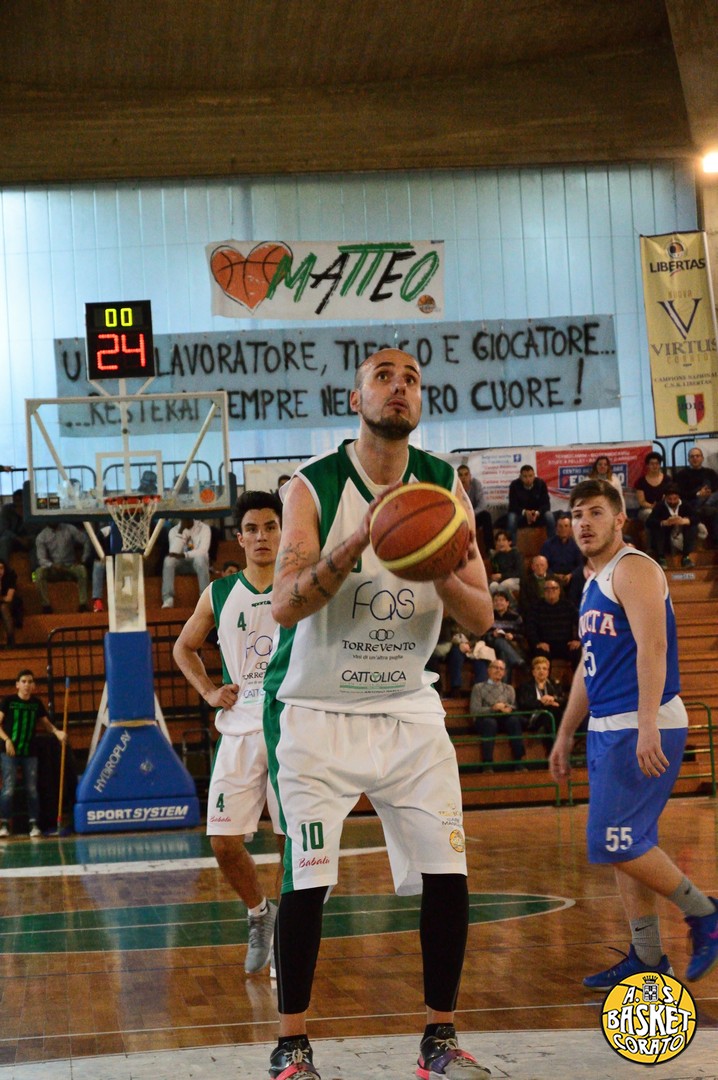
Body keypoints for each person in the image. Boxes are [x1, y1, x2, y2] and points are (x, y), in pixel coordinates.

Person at [263, 348, 493, 1080]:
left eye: (412, 379)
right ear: (354, 396)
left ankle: (439, 1040)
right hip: (317, 711)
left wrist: (435, 566)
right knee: (308, 879)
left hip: (407, 708)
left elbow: (482, 616)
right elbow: (284, 602)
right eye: (384, 376)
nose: (400, 387)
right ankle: (292, 1047)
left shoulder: (443, 485)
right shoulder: (314, 485)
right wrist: (363, 538)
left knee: (448, 872)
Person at [549, 478, 718, 989]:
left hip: (641, 721)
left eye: (596, 512)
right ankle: (647, 956)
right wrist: (565, 733)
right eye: (577, 514)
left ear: (620, 519)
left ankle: (706, 913)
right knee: (629, 845)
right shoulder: (592, 580)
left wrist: (647, 725)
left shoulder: (634, 568)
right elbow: (589, 667)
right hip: (609, 725)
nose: (584, 523)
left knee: (612, 839)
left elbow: (654, 648)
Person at [173, 491, 284, 975]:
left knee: (293, 841)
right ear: (239, 539)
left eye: (270, 527)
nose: (262, 537)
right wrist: (208, 690)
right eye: (252, 529)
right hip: (239, 729)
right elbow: (183, 648)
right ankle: (260, 912)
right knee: (222, 841)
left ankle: (290, 937)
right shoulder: (219, 593)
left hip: (290, 726)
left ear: (283, 531)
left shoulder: (303, 584)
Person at [0, 669, 67, 837]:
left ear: (34, 685)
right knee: (8, 788)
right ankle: (4, 824)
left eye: (30, 682)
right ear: (17, 684)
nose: (27, 685)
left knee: (31, 789)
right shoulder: (8, 701)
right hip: (9, 753)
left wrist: (57, 732)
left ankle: (34, 824)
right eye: (23, 681)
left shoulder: (36, 704)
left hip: (30, 752)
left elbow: (46, 724)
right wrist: (7, 740)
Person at [469, 658, 524, 769]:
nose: (498, 671)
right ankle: (487, 764)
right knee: (490, 723)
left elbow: (514, 706)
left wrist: (507, 708)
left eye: (501, 669)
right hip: (485, 720)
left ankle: (519, 761)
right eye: (496, 668)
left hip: (503, 718)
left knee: (514, 721)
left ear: (504, 673)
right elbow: (475, 710)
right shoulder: (478, 687)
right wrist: (493, 708)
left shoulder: (509, 688)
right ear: (489, 670)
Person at [33, 520, 91, 613]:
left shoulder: (69, 528)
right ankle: (46, 606)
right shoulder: (41, 536)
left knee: (82, 569)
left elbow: (86, 540)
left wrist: (83, 560)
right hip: (54, 569)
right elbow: (41, 559)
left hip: (70, 566)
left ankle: (83, 604)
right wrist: (52, 565)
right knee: (39, 572)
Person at [524, 577, 582, 668]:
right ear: (543, 591)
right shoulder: (535, 607)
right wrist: (537, 643)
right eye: (547, 589)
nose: (550, 591)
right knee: (540, 653)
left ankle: (579, 678)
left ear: (559, 590)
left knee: (578, 651)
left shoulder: (568, 606)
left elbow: (580, 622)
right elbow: (530, 628)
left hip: (566, 645)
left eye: (554, 588)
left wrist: (578, 640)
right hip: (545, 645)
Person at [516, 655, 566, 756]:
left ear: (548, 672)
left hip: (552, 716)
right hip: (533, 717)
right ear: (533, 672)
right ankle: (555, 750)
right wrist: (542, 702)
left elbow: (563, 701)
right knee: (549, 713)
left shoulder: (554, 685)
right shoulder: (525, 686)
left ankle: (554, 749)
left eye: (544, 669)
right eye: (538, 668)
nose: (541, 671)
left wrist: (553, 699)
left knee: (552, 712)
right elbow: (524, 704)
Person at [161, 517, 211, 608]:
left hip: (198, 564)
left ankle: (204, 598)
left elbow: (203, 551)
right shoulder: (173, 531)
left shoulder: (204, 528)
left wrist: (185, 555)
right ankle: (168, 599)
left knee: (200, 558)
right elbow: (173, 553)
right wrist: (181, 531)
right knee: (168, 560)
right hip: (181, 565)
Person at [646, 484, 698, 569]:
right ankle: (661, 557)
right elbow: (649, 522)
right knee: (657, 528)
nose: (672, 502)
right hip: (666, 536)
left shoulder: (685, 505)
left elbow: (696, 518)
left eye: (675, 499)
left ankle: (686, 557)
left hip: (682, 533)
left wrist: (684, 521)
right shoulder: (660, 506)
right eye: (669, 499)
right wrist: (664, 522)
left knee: (692, 528)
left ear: (679, 497)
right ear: (665, 497)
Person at [675, 445, 718, 546]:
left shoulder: (710, 473)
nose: (695, 458)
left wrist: (708, 493)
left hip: (710, 501)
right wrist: (698, 494)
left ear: (702, 458)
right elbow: (680, 494)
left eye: (697, 456)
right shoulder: (682, 474)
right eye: (692, 456)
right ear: (688, 459)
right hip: (691, 503)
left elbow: (716, 488)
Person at [482, 592, 526, 682]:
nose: (498, 603)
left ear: (507, 603)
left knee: (504, 654)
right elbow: (483, 635)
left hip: (510, 645)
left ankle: (504, 685)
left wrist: (513, 636)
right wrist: (492, 634)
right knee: (499, 640)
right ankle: (519, 661)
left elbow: (523, 635)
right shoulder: (489, 616)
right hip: (492, 644)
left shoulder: (515, 617)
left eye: (501, 600)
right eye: (496, 601)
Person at [506, 464, 555, 544]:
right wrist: (525, 512)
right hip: (521, 514)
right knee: (511, 518)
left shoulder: (541, 484)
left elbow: (546, 504)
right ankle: (511, 547)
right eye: (525, 476)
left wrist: (537, 512)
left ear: (534, 476)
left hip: (537, 514)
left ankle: (553, 545)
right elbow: (513, 506)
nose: (528, 479)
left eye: (530, 476)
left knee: (549, 516)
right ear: (520, 477)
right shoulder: (514, 485)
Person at [457, 463, 493, 553]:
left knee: (486, 515)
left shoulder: (476, 484)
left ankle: (490, 549)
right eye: (460, 475)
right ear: (457, 477)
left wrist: (470, 514)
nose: (463, 478)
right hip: (460, 518)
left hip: (474, 516)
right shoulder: (455, 487)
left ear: (470, 476)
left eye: (466, 474)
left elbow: (482, 505)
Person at [540, 513, 582, 588]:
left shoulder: (576, 545)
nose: (563, 529)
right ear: (556, 528)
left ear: (570, 528)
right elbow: (543, 565)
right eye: (560, 526)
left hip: (571, 578)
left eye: (566, 526)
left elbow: (580, 565)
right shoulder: (548, 544)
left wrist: (570, 575)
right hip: (552, 577)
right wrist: (555, 575)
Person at [634, 451, 669, 525]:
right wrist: (652, 506)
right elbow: (641, 501)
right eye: (652, 464)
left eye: (657, 464)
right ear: (647, 465)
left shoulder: (667, 479)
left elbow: (670, 496)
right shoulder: (641, 481)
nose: (655, 466)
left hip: (665, 507)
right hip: (646, 509)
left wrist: (661, 505)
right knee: (650, 514)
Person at [488, 530, 524, 598]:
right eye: (499, 540)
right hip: (502, 580)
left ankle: (510, 603)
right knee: (493, 586)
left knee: (504, 585)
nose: (501, 543)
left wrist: (502, 576)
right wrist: (494, 577)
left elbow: (519, 572)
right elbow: (496, 572)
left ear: (509, 542)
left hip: (516, 580)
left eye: (504, 540)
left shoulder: (516, 554)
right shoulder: (497, 556)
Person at [0, 559, 22, 646]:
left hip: (11, 604)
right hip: (2, 601)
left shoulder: (10, 576)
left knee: (3, 608)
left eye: (1, 568)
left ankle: (10, 638)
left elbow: (9, 598)